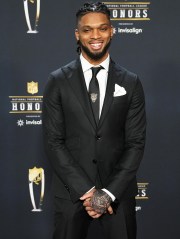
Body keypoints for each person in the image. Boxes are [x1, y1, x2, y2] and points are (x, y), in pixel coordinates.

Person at [42, 2, 146, 239]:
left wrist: (107, 194)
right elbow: (53, 141)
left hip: (117, 193)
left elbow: (136, 143)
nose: (95, 36)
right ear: (77, 35)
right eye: (87, 30)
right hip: (71, 193)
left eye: (102, 28)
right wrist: (88, 192)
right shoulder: (57, 81)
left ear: (112, 31)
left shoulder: (131, 82)